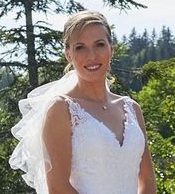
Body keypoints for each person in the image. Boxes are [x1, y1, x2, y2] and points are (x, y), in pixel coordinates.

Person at [10, 11, 157, 194]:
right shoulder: (62, 109)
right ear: (68, 54)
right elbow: (57, 187)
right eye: (80, 47)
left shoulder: (132, 108)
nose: (91, 55)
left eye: (99, 45)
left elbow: (147, 179)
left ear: (111, 48)